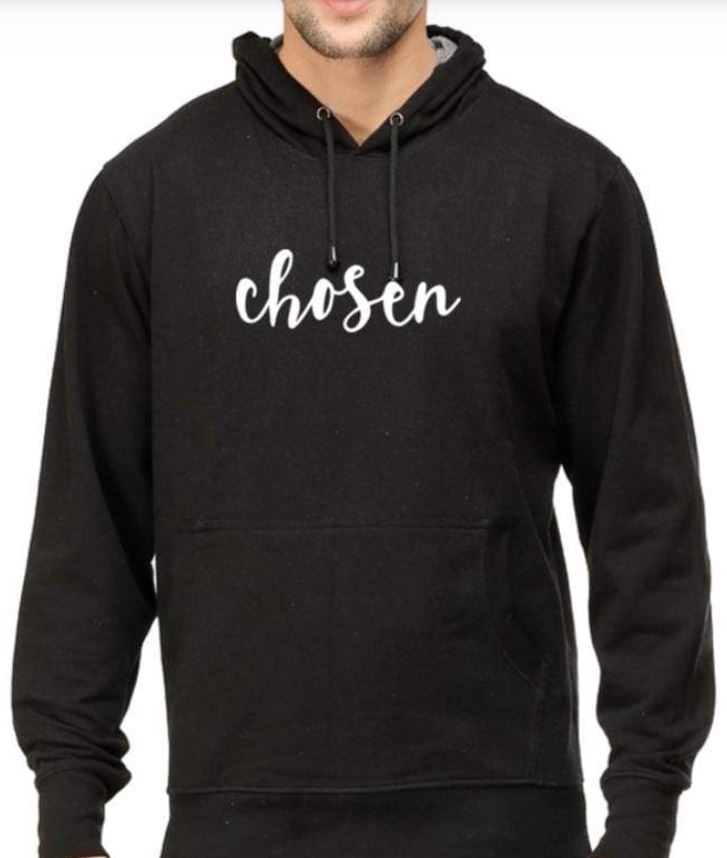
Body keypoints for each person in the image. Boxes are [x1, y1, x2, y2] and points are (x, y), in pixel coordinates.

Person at [11, 2, 715, 857]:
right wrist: (69, 821)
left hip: (505, 821)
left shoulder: (567, 187)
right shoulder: (149, 197)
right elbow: (88, 527)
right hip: (234, 822)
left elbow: (645, 518)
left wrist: (642, 815)